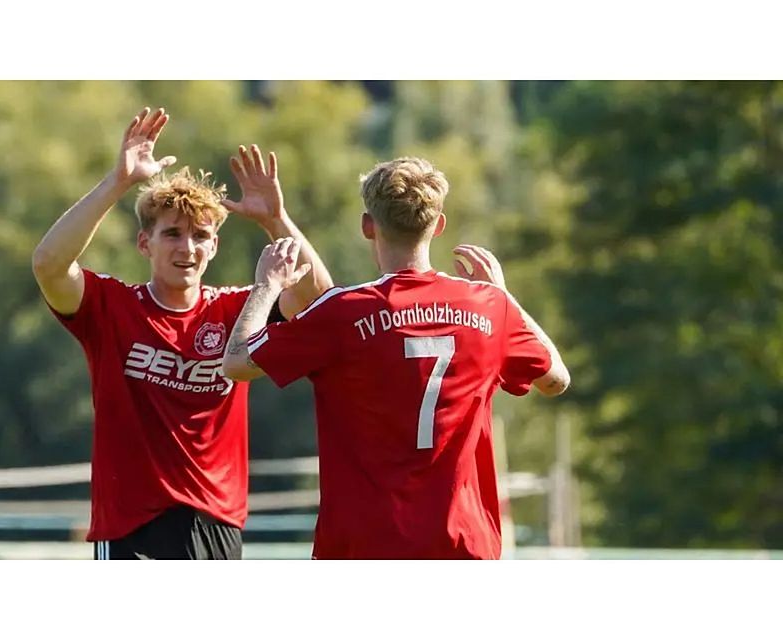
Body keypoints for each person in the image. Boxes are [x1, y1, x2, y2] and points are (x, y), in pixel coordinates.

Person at [222, 156, 570, 559]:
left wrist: (266, 286)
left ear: (368, 225)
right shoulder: (489, 307)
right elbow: (555, 379)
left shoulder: (344, 311)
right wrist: (505, 297)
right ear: (438, 225)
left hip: (364, 545)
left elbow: (237, 363)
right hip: (462, 544)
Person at [31, 107, 332, 559]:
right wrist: (118, 182)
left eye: (199, 236)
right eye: (172, 234)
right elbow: (48, 265)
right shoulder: (111, 307)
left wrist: (276, 220)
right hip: (131, 525)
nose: (186, 248)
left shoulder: (240, 309)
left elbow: (318, 297)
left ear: (214, 245)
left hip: (214, 524)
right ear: (144, 243)